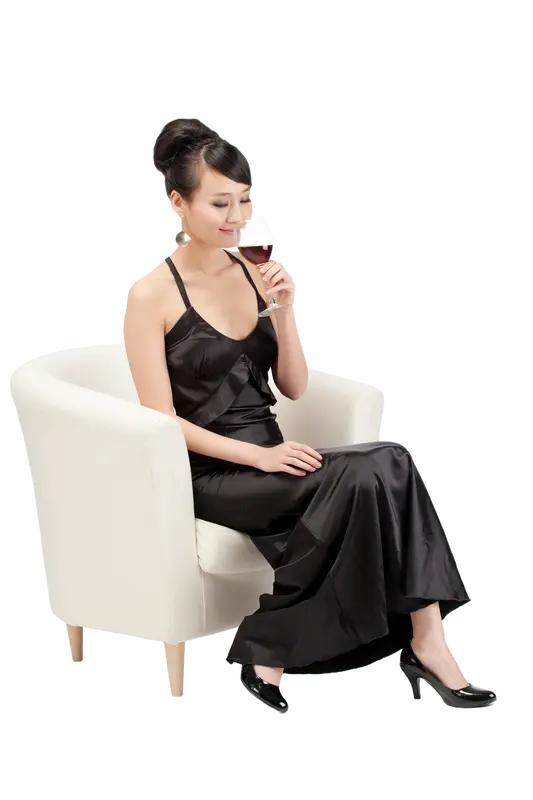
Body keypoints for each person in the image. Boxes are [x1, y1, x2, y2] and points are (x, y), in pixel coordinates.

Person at [123, 117, 496, 713]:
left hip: (275, 458)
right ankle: (292, 648)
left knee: (389, 464)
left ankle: (425, 641)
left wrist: (285, 310)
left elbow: (293, 387)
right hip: (212, 472)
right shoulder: (150, 295)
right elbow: (160, 420)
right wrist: (259, 457)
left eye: (245, 200)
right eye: (220, 203)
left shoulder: (252, 270)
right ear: (178, 202)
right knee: (381, 466)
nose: (237, 217)